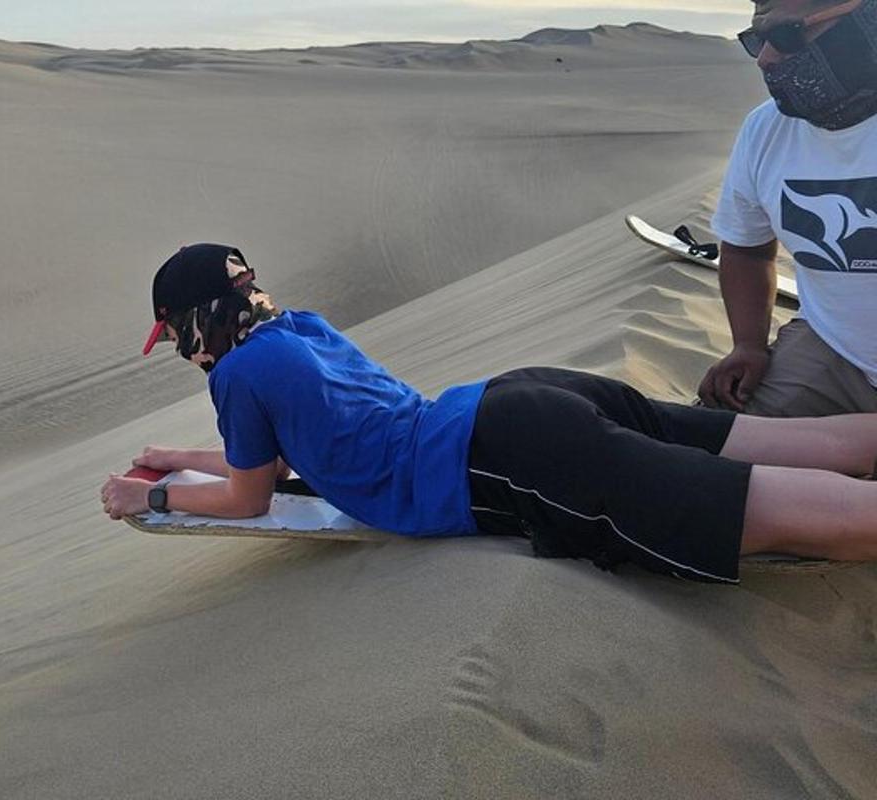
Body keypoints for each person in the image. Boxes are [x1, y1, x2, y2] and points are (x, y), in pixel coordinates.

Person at [101, 244, 877, 584]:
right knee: (809, 445)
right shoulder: (297, 331)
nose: (178, 346)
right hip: (516, 400)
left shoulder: (238, 375)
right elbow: (274, 462)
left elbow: (252, 497)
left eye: (172, 332)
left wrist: (153, 497)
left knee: (767, 511)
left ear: (196, 320)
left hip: (503, 461)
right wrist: (183, 457)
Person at [699, 0, 877, 415]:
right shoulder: (765, 131)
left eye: (786, 35)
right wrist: (748, 343)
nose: (765, 59)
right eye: (757, 40)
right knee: (706, 450)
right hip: (835, 351)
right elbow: (747, 248)